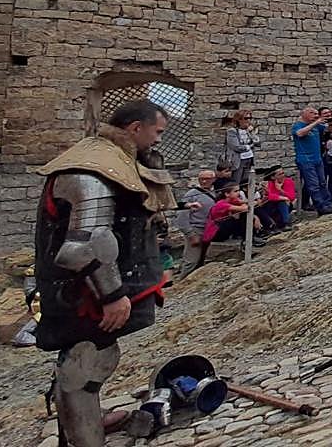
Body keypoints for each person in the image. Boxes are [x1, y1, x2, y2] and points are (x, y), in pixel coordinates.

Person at [33, 100, 176, 447]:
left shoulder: (115, 160)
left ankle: (88, 417)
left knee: (94, 355)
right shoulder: (91, 170)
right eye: (156, 133)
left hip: (91, 286)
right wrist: (111, 295)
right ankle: (84, 436)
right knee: (85, 362)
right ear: (135, 128)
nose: (158, 141)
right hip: (84, 291)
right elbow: (85, 245)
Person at [291, 106, 332, 215]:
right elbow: (299, 133)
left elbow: (329, 133)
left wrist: (331, 124)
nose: (316, 115)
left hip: (317, 158)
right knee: (313, 184)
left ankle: (327, 203)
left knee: (322, 182)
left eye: (317, 113)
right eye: (313, 113)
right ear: (305, 114)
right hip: (306, 160)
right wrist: (317, 122)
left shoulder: (317, 126)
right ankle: (320, 206)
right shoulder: (299, 125)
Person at [178, 169, 218, 278]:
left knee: (202, 261)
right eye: (201, 179)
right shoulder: (191, 194)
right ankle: (181, 283)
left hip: (210, 230)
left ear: (214, 179)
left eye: (208, 179)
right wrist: (190, 234)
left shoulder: (216, 192)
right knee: (191, 261)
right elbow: (182, 216)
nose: (204, 181)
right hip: (196, 230)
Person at [223, 109, 259, 187]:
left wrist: (251, 132)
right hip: (238, 160)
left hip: (249, 158)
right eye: (246, 118)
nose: (248, 120)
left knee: (245, 181)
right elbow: (236, 147)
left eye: (250, 118)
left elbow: (257, 142)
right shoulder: (232, 131)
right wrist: (249, 146)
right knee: (236, 181)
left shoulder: (249, 130)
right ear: (239, 119)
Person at [258, 165, 296, 233]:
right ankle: (272, 225)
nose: (283, 175)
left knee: (282, 203)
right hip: (271, 206)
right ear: (273, 177)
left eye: (283, 173)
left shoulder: (288, 181)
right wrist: (283, 197)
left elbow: (292, 197)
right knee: (279, 201)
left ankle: (285, 223)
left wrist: (280, 190)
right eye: (279, 174)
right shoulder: (269, 183)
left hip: (284, 206)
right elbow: (270, 197)